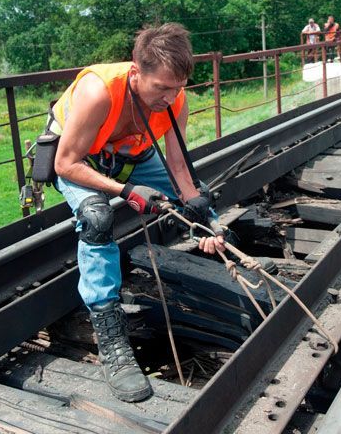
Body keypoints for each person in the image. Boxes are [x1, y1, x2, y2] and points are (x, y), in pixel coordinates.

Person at [50, 23, 225, 402]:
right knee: (97, 218)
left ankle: (226, 253)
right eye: (161, 87)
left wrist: (204, 218)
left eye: (177, 87)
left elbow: (179, 167)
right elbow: (65, 163)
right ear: (135, 72)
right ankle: (111, 336)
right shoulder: (99, 93)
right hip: (83, 158)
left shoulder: (175, 100)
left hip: (133, 157)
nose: (170, 96)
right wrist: (126, 192)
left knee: (198, 198)